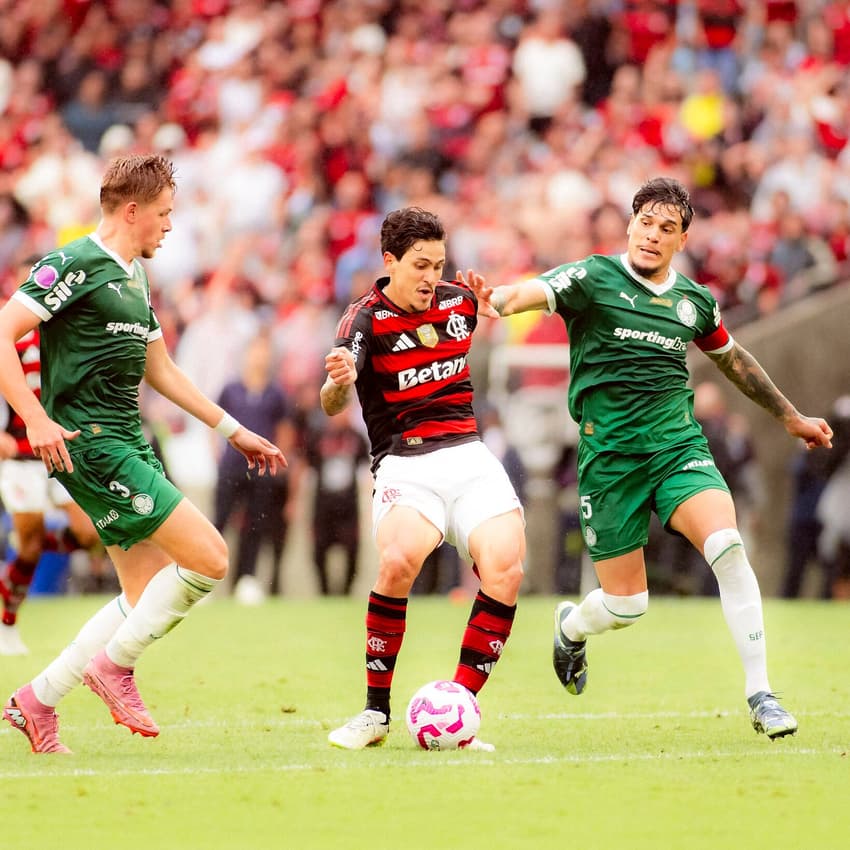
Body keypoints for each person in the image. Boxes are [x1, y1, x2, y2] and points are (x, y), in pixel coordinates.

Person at [465, 177, 833, 740]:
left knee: (728, 547)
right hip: (610, 461)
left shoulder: (694, 302)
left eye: (667, 228)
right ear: (630, 225)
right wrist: (496, 299)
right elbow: (527, 294)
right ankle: (572, 627)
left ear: (682, 239)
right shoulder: (593, 277)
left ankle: (762, 694)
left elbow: (734, 360)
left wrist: (789, 416)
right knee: (627, 605)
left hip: (676, 447)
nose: (653, 235)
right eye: (645, 222)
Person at [0, 154, 285, 754]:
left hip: (128, 440)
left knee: (144, 592)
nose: (170, 225)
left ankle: (37, 701)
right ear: (132, 211)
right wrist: (34, 418)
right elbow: (2, 331)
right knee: (210, 558)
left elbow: (163, 371)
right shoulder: (73, 264)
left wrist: (231, 428)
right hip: (92, 445)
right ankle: (114, 668)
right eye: (164, 213)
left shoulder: (135, 274)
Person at [321, 206, 525, 751]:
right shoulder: (363, 321)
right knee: (397, 561)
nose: (432, 278)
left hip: (469, 455)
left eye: (438, 265)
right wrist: (338, 384)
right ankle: (375, 713)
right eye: (420, 266)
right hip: (406, 464)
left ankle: (459, 710)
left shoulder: (460, 302)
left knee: (506, 569)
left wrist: (494, 302)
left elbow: (493, 304)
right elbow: (331, 401)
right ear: (389, 261)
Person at [0, 258, 105, 655]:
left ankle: (29, 539)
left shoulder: (66, 331)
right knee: (28, 548)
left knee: (91, 534)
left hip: (63, 451)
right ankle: (7, 624)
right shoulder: (8, 332)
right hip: (21, 456)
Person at [212, 332, 295, 600]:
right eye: (257, 351)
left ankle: (244, 580)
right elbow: (213, 423)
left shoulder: (276, 394)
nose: (260, 357)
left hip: (261, 471)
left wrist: (278, 461)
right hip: (231, 467)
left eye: (265, 352)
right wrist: (217, 456)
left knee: (255, 526)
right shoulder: (230, 389)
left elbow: (285, 430)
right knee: (219, 523)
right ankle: (203, 580)